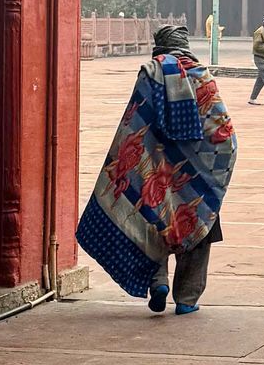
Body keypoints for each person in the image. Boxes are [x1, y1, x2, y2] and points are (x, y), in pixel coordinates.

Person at [77, 22, 236, 315]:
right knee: (198, 226)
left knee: (151, 221)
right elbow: (225, 135)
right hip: (195, 175)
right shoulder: (202, 78)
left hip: (153, 172)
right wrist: (209, 168)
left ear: (159, 45)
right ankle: (187, 299)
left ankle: (158, 281)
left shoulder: (150, 74)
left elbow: (133, 125)